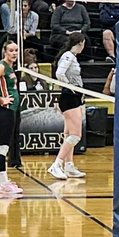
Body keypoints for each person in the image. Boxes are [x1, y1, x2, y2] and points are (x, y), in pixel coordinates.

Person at [47, 34, 87, 181]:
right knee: (75, 135)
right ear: (81, 43)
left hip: (73, 97)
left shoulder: (71, 56)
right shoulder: (68, 56)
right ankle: (56, 164)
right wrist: (71, 88)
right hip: (70, 97)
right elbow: (59, 73)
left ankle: (69, 166)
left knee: (68, 133)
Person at [0, 40, 23, 194]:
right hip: (5, 110)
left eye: (16, 50)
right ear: (4, 51)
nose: (14, 53)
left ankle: (0, 181)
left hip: (10, 109)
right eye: (11, 50)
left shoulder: (10, 67)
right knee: (2, 146)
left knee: (2, 145)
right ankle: (2, 183)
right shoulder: (1, 66)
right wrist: (1, 100)